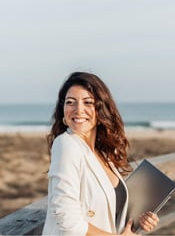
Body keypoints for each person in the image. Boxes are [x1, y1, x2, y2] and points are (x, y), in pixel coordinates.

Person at [42, 72, 159, 236]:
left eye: (88, 102)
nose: (78, 110)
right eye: (70, 102)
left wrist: (139, 222)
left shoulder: (103, 153)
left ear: (100, 110)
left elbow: (110, 214)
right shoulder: (66, 144)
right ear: (63, 111)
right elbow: (68, 221)